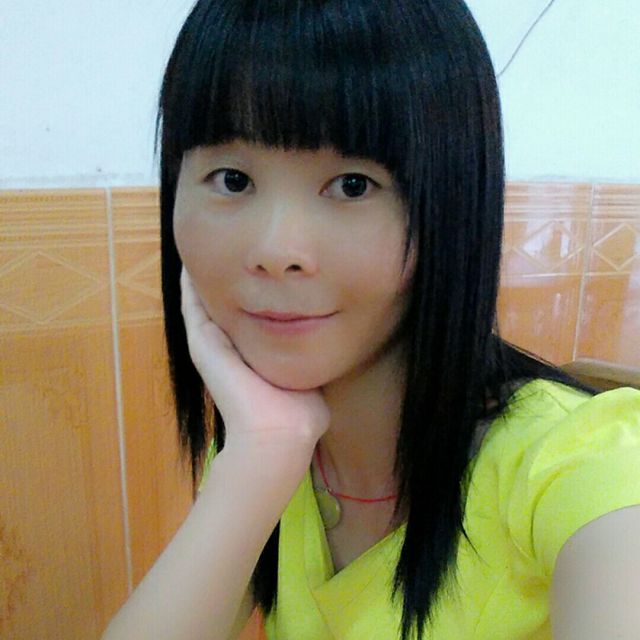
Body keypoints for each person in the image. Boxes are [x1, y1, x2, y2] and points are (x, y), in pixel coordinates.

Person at [102, 1, 640, 639]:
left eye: (353, 185)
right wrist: (262, 452)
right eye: (233, 179)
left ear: (450, 205)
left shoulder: (587, 467)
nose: (276, 250)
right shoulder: (268, 444)